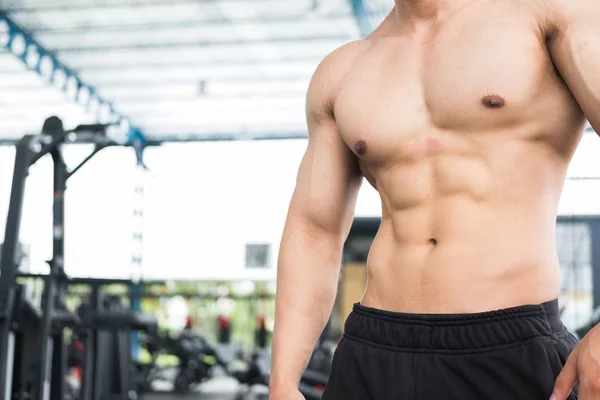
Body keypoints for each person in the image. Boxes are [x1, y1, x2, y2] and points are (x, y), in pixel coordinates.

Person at [270, 0, 600, 399]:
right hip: (371, 349)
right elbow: (314, 230)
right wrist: (283, 381)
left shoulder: (551, 13)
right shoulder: (344, 70)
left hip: (509, 345)